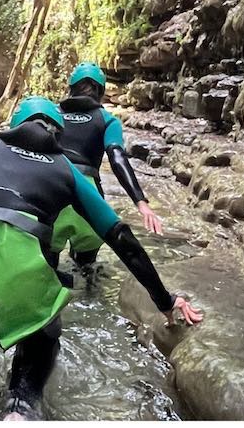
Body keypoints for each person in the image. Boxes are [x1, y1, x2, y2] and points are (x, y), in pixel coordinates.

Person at [0, 96, 202, 420]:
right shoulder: (65, 170)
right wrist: (166, 301)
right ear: (57, 133)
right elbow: (122, 239)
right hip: (24, 281)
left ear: (15, 126)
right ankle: (21, 404)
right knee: (45, 321)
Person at [51, 61, 163, 282]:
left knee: (48, 271)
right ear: (101, 93)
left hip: (51, 193)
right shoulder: (107, 120)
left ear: (70, 88)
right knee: (87, 272)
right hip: (89, 201)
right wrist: (141, 203)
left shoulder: (51, 113)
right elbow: (117, 157)